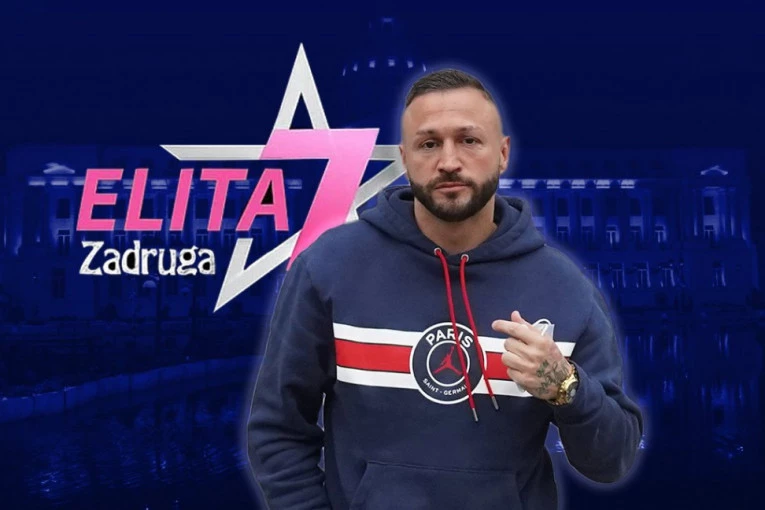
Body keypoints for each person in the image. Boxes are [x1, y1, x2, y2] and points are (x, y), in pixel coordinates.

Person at [247, 68, 644, 509]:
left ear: (503, 154)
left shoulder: (565, 288)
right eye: (429, 144)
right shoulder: (329, 268)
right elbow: (277, 430)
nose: (449, 161)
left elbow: (612, 461)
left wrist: (565, 385)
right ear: (405, 157)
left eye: (469, 140)